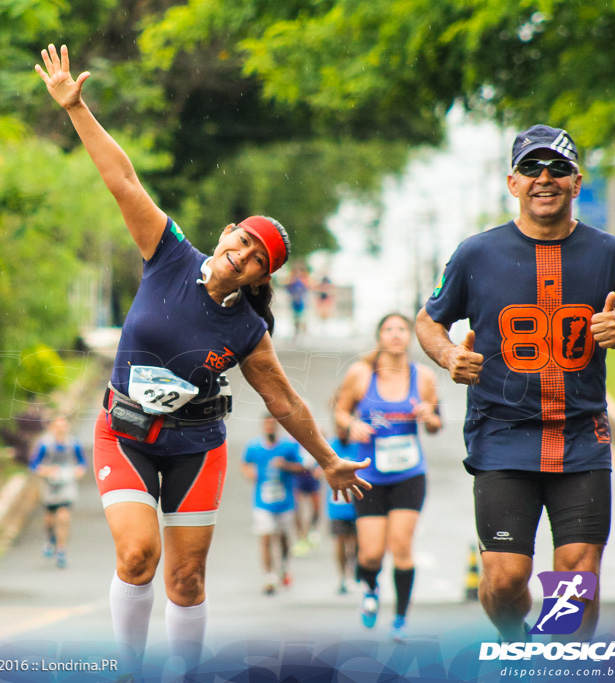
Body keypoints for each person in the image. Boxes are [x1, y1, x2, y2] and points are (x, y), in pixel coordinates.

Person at [35, 44, 371, 674]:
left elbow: (283, 400)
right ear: (224, 235)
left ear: (259, 277)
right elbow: (123, 179)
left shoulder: (247, 329)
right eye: (241, 240)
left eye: (256, 258)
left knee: (186, 579)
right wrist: (76, 108)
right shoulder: (168, 252)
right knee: (138, 556)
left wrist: (326, 460)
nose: (242, 254)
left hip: (196, 445)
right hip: (125, 431)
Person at [415, 124, 615, 643]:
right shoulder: (476, 254)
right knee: (505, 581)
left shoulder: (611, 254)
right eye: (531, 168)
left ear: (576, 182)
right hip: (503, 435)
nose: (543, 178)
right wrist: (447, 356)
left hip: (581, 437)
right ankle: (518, 644)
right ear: (512, 182)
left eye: (557, 169)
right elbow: (429, 320)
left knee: (577, 581)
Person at [334, 312, 442, 641]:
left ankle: (400, 619)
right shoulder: (361, 374)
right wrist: (351, 425)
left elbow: (437, 425)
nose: (395, 335)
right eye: (389, 329)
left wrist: (428, 416)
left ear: (408, 337)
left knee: (401, 546)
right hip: (369, 476)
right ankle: (370, 589)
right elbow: (339, 411)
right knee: (369, 553)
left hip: (409, 474)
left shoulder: (422, 377)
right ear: (380, 336)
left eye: (401, 330)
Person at [241, 416, 305, 595]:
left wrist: (284, 466)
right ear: (263, 427)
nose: (269, 428)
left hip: (285, 501)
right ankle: (269, 577)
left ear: (277, 427)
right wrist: (249, 473)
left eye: (272, 425)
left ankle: (284, 567)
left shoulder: (287, 447)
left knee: (283, 537)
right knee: (266, 537)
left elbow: (301, 467)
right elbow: (244, 463)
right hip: (262, 501)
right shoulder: (254, 446)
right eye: (266, 425)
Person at [29, 416, 87, 569]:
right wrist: (47, 471)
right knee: (50, 519)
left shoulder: (73, 444)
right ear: (52, 427)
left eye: (64, 426)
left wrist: (77, 472)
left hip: (67, 484)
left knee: (64, 516)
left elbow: (82, 463)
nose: (61, 429)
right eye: (58, 426)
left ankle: (61, 550)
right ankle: (51, 539)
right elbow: (34, 465)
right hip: (50, 485)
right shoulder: (44, 445)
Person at [326, 436, 359, 596]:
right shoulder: (330, 446)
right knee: (340, 541)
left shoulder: (358, 445)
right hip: (337, 503)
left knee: (355, 542)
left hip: (357, 502)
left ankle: (353, 573)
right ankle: (342, 577)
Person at [291, 450, 323, 557]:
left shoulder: (319, 433)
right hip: (299, 476)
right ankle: (301, 538)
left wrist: (320, 466)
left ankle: (312, 530)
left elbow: (323, 449)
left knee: (316, 507)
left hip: (312, 476)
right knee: (297, 509)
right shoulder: (292, 439)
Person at [285, 263, 310, 341]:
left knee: (301, 319)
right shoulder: (292, 281)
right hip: (295, 303)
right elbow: (288, 289)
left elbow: (306, 290)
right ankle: (297, 334)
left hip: (301, 303)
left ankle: (303, 334)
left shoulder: (302, 281)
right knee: (296, 319)